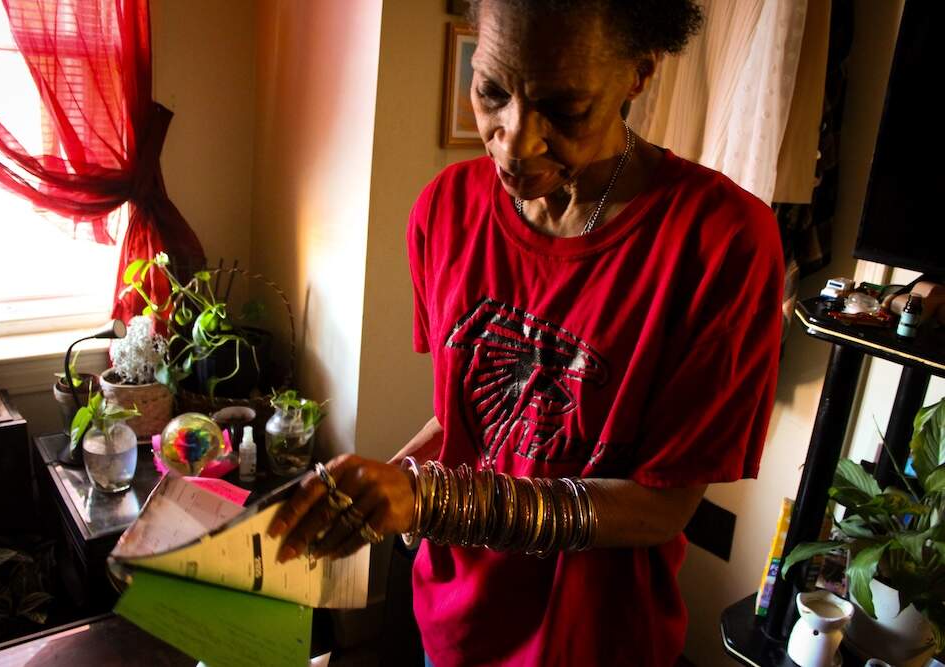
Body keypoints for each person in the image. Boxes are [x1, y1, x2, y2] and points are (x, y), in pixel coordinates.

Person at [268, 0, 784, 664]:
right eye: (491, 91)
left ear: (639, 75)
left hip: (593, 640)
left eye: (564, 110)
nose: (514, 141)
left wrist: (428, 499)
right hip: (451, 624)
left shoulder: (722, 243)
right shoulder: (444, 210)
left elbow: (662, 509)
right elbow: (468, 427)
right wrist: (380, 488)